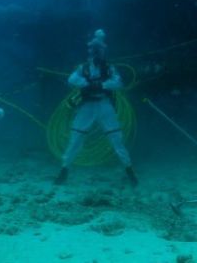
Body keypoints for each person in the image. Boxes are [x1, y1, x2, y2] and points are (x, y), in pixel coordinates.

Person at [54, 29, 138, 186]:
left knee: (116, 139)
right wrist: (87, 83)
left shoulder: (109, 68)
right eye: (94, 49)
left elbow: (118, 82)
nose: (96, 52)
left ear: (103, 51)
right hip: (87, 106)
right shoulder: (83, 68)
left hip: (104, 105)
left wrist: (101, 84)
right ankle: (64, 170)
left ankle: (129, 170)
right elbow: (72, 79)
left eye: (99, 49)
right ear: (90, 50)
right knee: (75, 139)